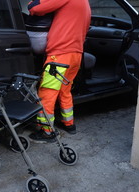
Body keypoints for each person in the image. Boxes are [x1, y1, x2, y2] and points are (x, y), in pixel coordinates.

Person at [28, 0, 91, 143]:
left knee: (47, 92)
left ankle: (47, 132)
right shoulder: (85, 2)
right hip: (76, 54)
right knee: (65, 90)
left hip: (60, 55)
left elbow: (35, 7)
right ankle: (69, 124)